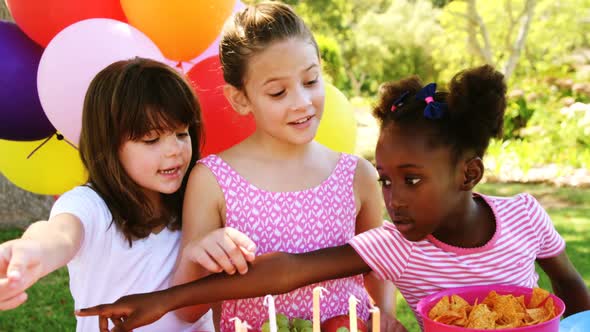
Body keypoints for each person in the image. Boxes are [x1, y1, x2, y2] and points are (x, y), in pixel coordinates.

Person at [77, 64, 590, 331]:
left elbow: (570, 286)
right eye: (385, 180)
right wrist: (161, 300)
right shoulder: (397, 243)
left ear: (469, 174)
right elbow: (287, 270)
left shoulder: (526, 215)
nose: (394, 200)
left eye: (411, 180)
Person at [169, 2, 397, 331]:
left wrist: (384, 315)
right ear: (240, 99)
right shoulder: (212, 179)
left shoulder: (357, 175)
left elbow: (377, 268)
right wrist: (196, 257)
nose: (302, 102)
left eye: (310, 81)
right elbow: (186, 311)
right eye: (278, 92)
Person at [0, 58, 214, 331]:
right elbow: (61, 235)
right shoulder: (90, 205)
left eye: (182, 134)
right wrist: (33, 250)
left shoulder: (200, 195)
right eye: (151, 139)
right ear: (110, 145)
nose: (175, 149)